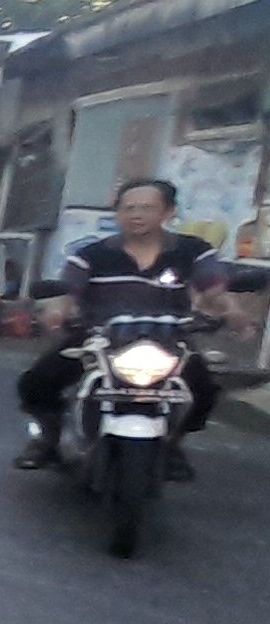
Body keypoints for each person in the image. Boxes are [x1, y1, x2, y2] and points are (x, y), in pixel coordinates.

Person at [15, 178, 228, 479]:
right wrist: (57, 311)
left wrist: (231, 310)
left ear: (168, 211)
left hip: (169, 339)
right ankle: (48, 440)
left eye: (146, 208)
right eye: (128, 208)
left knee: (204, 390)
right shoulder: (91, 254)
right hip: (99, 336)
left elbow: (214, 286)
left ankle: (173, 445)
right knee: (36, 382)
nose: (136, 215)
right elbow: (69, 290)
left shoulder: (193, 250)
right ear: (117, 213)